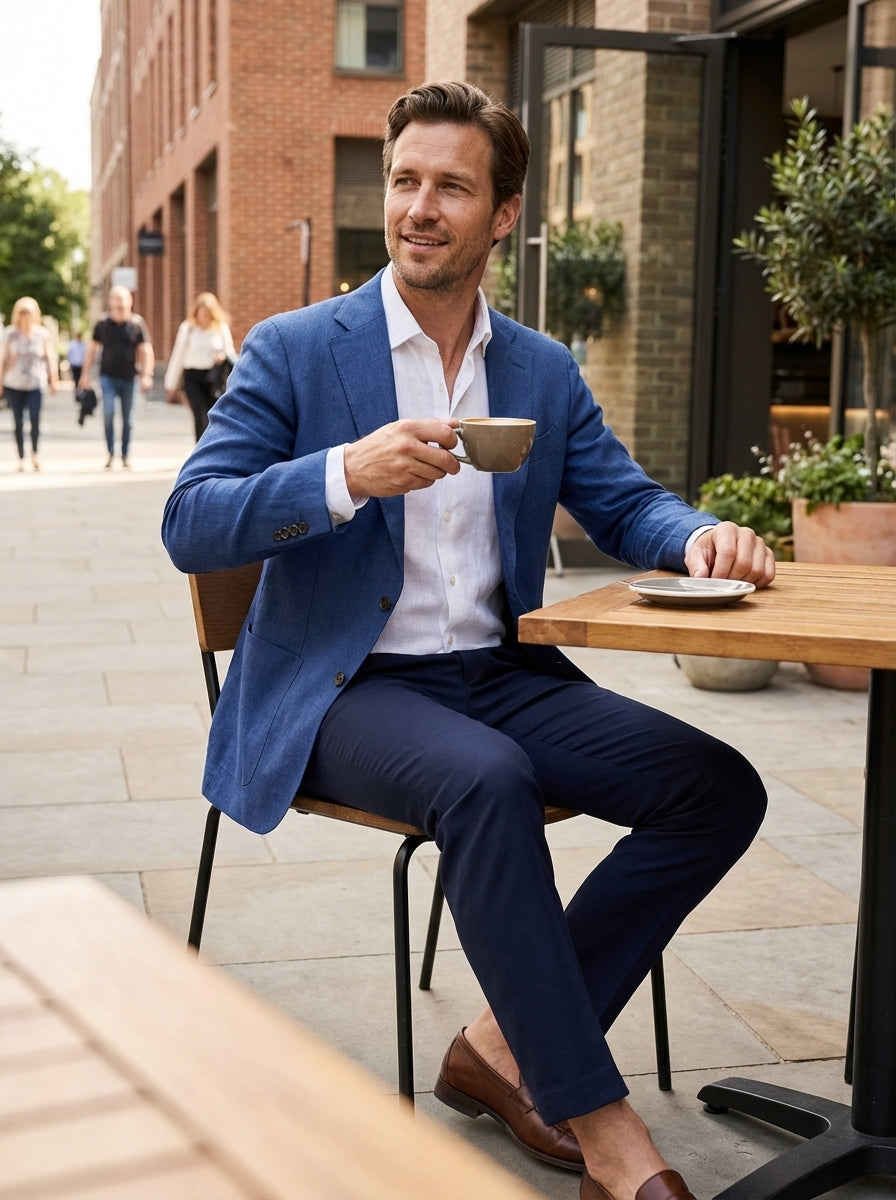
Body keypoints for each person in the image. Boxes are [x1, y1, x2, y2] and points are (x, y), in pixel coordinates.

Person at [162, 82, 775, 1200]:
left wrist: (697, 539)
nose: (419, 207)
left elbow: (624, 502)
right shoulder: (298, 350)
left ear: (502, 215)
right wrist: (344, 474)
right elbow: (190, 522)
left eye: (450, 185)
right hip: (344, 688)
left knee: (715, 785)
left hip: (497, 672)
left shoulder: (536, 368)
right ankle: (607, 1136)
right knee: (485, 784)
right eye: (404, 182)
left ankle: (501, 1052)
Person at [80, 286, 154, 468]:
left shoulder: (137, 323)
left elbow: (146, 350)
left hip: (130, 378)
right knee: (108, 413)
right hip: (108, 377)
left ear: (130, 301)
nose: (119, 303)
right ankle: (111, 453)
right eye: (115, 299)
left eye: (122, 299)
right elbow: (92, 349)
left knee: (128, 418)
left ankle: (126, 454)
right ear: (110, 302)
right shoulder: (102, 323)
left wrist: (147, 374)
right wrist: (85, 375)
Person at [164, 292, 237, 441]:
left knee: (213, 414)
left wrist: (222, 356)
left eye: (207, 313)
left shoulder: (220, 328)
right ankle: (199, 447)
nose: (203, 316)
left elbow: (229, 351)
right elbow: (178, 356)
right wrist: (170, 383)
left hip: (212, 377)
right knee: (198, 412)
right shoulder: (188, 328)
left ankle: (211, 444)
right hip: (192, 376)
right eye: (201, 312)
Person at [0, 297, 59, 471]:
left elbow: (50, 357)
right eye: (22, 311)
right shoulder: (10, 333)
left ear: (35, 313)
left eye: (29, 311)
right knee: (18, 421)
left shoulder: (42, 334)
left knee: (34, 418)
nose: (25, 315)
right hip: (14, 383)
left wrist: (53, 379)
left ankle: (34, 453)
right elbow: (2, 358)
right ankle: (21, 457)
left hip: (36, 383)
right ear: (17, 313)